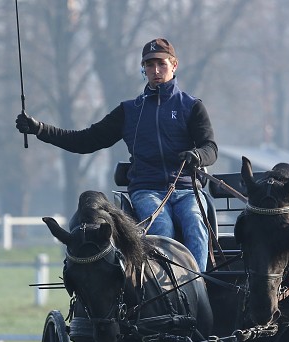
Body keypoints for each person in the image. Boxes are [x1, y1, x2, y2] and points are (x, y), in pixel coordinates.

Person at [16, 38, 217, 272]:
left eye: (161, 64)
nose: (155, 70)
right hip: (147, 190)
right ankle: (169, 292)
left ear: (174, 65)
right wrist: (40, 129)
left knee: (195, 224)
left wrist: (197, 155)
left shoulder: (191, 107)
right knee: (162, 230)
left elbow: (210, 148)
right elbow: (85, 140)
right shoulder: (130, 111)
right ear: (144, 69)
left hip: (186, 189)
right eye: (149, 65)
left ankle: (197, 285)